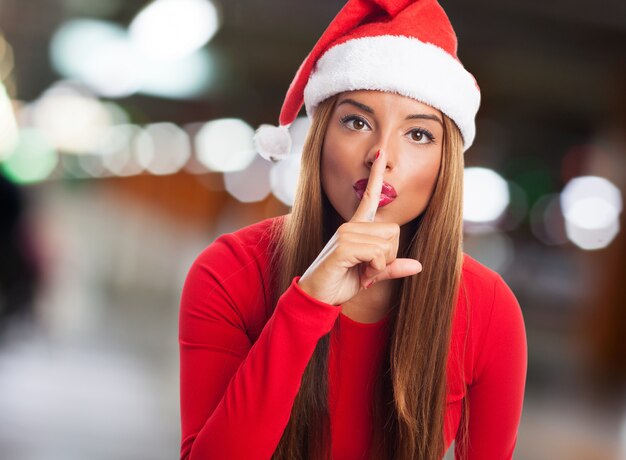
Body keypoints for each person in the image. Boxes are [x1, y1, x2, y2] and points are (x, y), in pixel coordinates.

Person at [178, 1, 527, 459]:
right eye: (357, 122)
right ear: (320, 138)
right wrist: (307, 305)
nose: (380, 156)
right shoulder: (229, 272)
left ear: (447, 165)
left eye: (418, 134)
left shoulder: (488, 308)